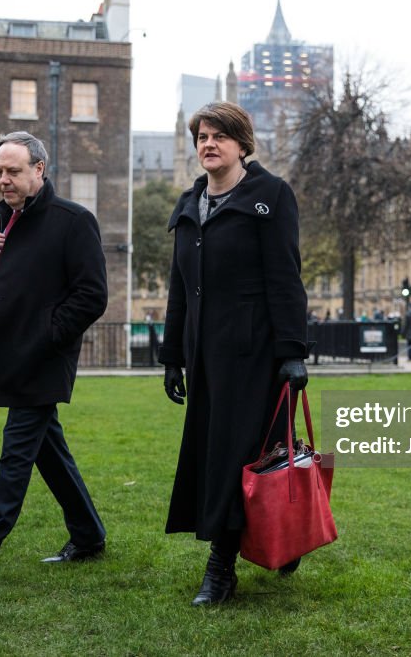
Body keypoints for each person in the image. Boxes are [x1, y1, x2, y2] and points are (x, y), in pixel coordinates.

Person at [0, 132, 109, 596]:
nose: (3, 180)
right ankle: (89, 535)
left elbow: (92, 296)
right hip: (2, 359)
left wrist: (46, 338)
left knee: (14, 459)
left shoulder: (72, 221)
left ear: (39, 170)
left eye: (13, 170)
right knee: (48, 453)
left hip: (40, 362)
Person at [158, 102, 310, 606]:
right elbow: (179, 289)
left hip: (254, 355)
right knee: (235, 457)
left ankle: (220, 569)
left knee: (235, 457)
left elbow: (285, 278)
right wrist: (172, 356)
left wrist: (292, 351)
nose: (208, 144)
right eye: (201, 136)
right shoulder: (189, 203)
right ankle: (284, 536)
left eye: (219, 135)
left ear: (242, 143)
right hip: (204, 358)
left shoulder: (270, 196)